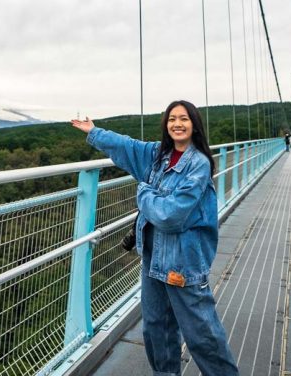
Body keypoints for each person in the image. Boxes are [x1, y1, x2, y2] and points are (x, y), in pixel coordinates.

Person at [71, 100, 239, 376]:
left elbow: (169, 215)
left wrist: (144, 192)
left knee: (201, 333)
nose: (177, 124)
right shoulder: (159, 155)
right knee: (155, 327)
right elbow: (128, 146)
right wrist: (94, 131)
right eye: (172, 119)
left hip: (182, 261)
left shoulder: (197, 166)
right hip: (152, 258)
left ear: (194, 125)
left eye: (184, 119)